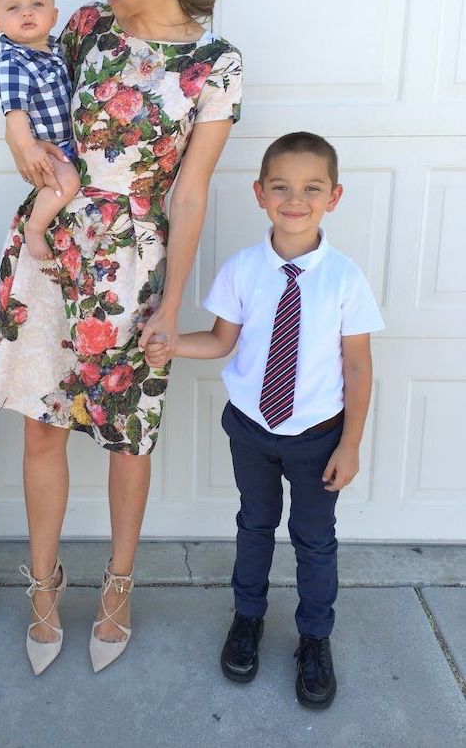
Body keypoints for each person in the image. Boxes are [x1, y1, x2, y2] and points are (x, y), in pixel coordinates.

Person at [0, 0, 242, 675]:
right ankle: (46, 585)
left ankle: (120, 584)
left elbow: (191, 193)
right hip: (53, 248)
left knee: (128, 436)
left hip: (134, 268)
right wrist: (17, 142)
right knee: (41, 423)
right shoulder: (88, 27)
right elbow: (26, 97)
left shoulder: (212, 64)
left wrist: (171, 302)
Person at [146, 132, 384, 709]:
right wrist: (170, 345)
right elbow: (223, 341)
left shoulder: (345, 278)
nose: (294, 199)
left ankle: (314, 638)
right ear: (259, 194)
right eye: (281, 187)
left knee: (314, 538)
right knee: (254, 525)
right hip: (251, 429)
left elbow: (357, 367)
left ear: (334, 195)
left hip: (317, 437)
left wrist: (349, 446)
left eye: (311, 188)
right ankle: (247, 618)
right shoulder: (243, 269)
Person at [0, 0, 81, 260]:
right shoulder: (13, 63)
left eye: (36, 4)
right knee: (67, 182)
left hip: (69, 143)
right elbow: (15, 113)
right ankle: (35, 229)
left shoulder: (53, 52)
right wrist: (28, 149)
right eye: (13, 8)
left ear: (53, 16)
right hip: (47, 149)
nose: (27, 13)